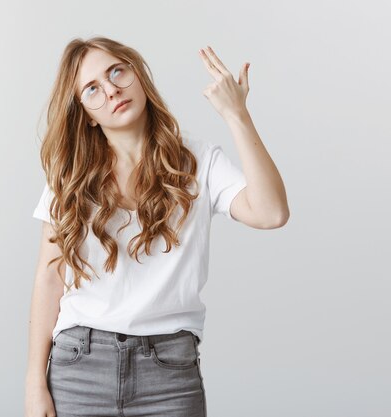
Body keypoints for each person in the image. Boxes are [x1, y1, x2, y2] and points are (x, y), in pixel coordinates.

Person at [24, 36, 289, 417]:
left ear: (137, 73)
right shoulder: (70, 176)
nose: (112, 90)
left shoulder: (198, 160)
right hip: (79, 367)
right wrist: (35, 384)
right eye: (93, 89)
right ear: (86, 114)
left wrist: (237, 115)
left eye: (117, 71)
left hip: (169, 373)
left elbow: (271, 213)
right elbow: (48, 279)